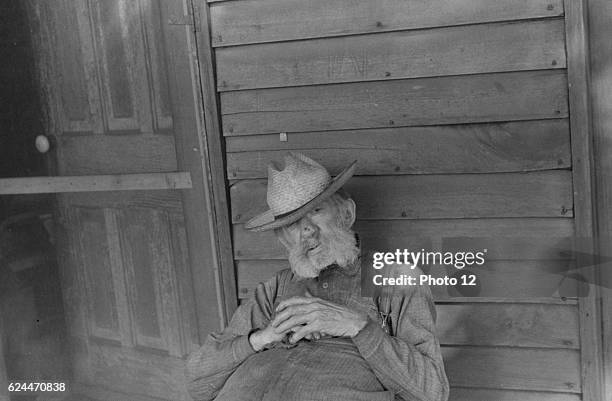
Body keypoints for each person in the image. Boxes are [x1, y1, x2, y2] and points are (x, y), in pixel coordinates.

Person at [185, 153, 449, 401]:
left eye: (316, 211)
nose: (307, 229)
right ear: (283, 239)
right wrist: (262, 338)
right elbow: (198, 381)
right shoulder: (275, 288)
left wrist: (358, 326)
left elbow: (432, 390)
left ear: (347, 214)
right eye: (291, 223)